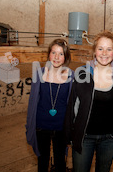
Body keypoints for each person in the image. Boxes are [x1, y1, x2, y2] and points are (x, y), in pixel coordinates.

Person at [64, 30, 113, 172]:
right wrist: (70, 135)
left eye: (109, 49)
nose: (104, 53)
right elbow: (72, 105)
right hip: (84, 137)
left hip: (109, 138)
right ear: (94, 51)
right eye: (100, 48)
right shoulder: (82, 73)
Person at [26, 39, 74, 172]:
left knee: (60, 162)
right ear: (49, 54)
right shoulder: (39, 74)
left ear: (66, 57)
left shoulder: (71, 76)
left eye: (61, 54)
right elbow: (32, 103)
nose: (56, 57)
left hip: (61, 127)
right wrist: (29, 125)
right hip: (41, 126)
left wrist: (72, 130)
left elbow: (72, 105)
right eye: (54, 53)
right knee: (42, 161)